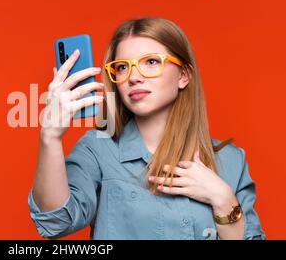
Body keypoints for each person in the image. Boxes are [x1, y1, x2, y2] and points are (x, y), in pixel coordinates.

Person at [28, 17, 265, 240]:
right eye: (122, 67)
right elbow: (54, 223)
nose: (134, 77)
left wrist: (223, 199)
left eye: (151, 62)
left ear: (184, 75)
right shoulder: (98, 148)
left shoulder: (231, 160)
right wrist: (50, 136)